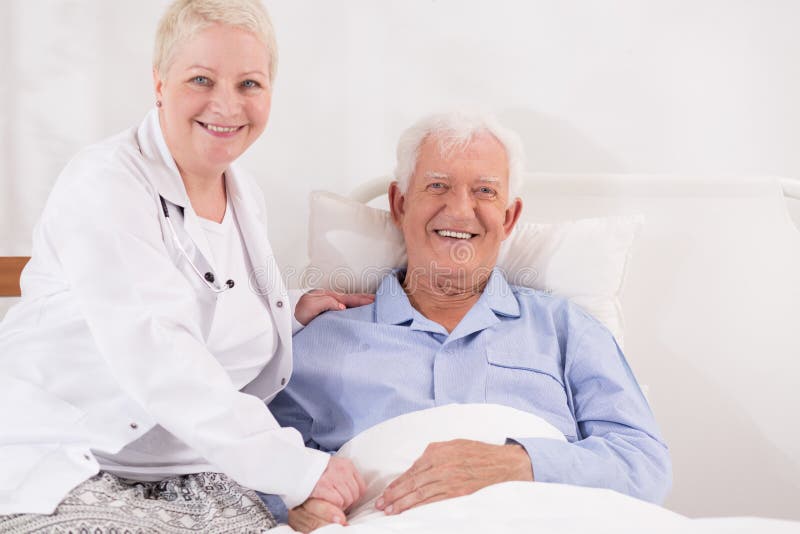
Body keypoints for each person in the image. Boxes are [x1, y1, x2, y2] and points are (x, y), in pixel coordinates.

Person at [0, 0, 368, 531]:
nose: (227, 105)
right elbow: (160, 349)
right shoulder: (104, 183)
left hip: (192, 468)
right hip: (72, 458)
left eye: (249, 84)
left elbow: (210, 312)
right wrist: (300, 470)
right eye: (201, 79)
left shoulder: (243, 192)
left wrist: (285, 316)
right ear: (158, 83)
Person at [270, 111, 672, 531]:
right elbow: (246, 463)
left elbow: (644, 464)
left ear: (509, 218)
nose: (461, 210)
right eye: (438, 186)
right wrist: (294, 505)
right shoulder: (319, 339)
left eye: (484, 191)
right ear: (400, 204)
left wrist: (514, 462)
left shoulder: (565, 328)